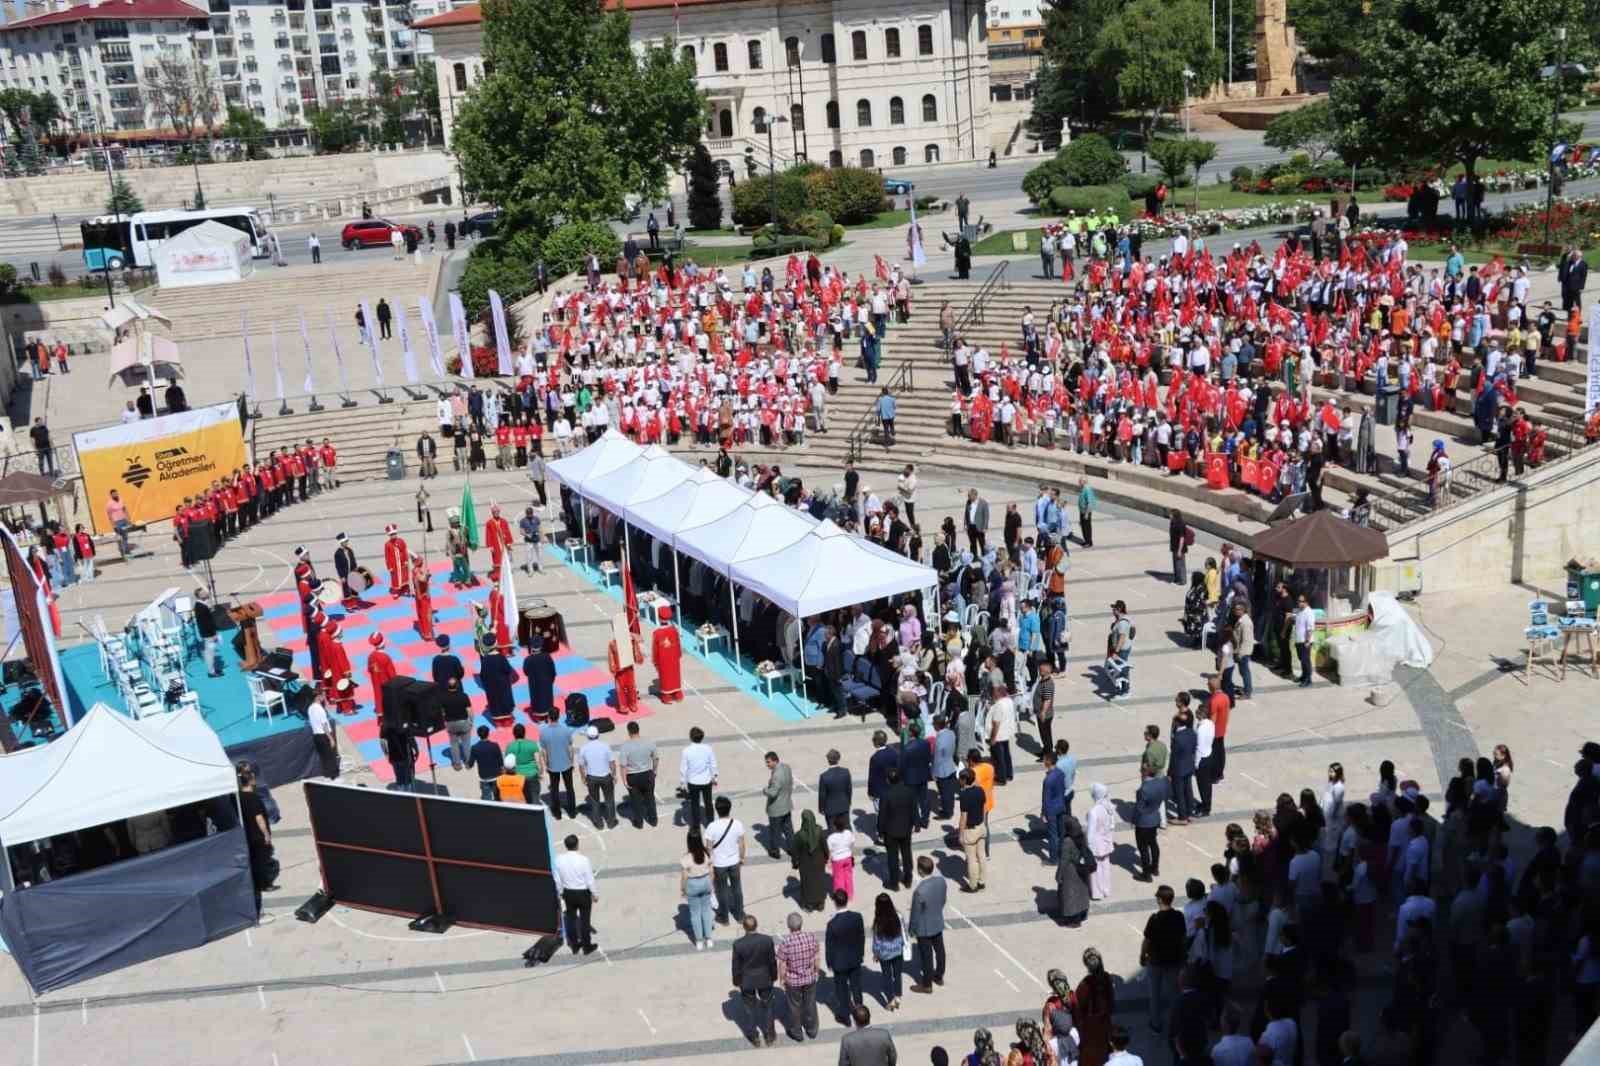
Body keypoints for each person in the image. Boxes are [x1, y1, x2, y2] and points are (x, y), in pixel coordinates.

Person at [732, 914, 779, 1047]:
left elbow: (736, 966)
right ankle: (770, 1035)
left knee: (750, 1010)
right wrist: (774, 976)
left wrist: (737, 981)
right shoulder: (766, 940)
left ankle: (754, 1037)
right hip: (765, 978)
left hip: (747, 981)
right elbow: (772, 961)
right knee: (768, 1006)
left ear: (744, 928)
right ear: (756, 925)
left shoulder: (738, 944)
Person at [237, 765, 277, 913]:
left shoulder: (238, 798)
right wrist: (266, 834)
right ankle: (264, 884)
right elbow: (259, 818)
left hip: (247, 834)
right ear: (251, 780)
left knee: (254, 860)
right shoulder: (253, 798)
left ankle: (257, 882)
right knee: (262, 860)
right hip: (257, 835)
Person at [777, 912, 821, 1042]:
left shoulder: (786, 943)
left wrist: (782, 979)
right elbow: (816, 957)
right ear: (801, 924)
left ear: (788, 926)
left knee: (794, 1006)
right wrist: (816, 972)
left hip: (793, 981)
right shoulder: (811, 937)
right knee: (810, 1003)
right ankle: (812, 1030)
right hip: (810, 978)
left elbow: (782, 964)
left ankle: (797, 1033)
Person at [552, 834, 598, 954]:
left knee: (571, 920)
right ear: (577, 845)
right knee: (585, 921)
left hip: (568, 893)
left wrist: (561, 891)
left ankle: (574, 945)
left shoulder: (558, 860)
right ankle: (587, 946)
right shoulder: (584, 860)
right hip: (583, 894)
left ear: (566, 846)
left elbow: (557, 879)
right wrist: (594, 893)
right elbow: (590, 879)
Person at [705, 795, 747, 924]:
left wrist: (710, 861)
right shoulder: (737, 824)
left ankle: (724, 917)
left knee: (721, 891)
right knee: (737, 888)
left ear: (717, 810)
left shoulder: (712, 826)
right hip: (734, 862)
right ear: (729, 808)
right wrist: (741, 858)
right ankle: (739, 915)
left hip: (719, 864)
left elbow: (708, 847)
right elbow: (741, 843)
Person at [1073, 948, 1115, 1066]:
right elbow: (1111, 1002)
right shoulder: (1106, 978)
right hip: (1105, 1024)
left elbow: (1077, 1007)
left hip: (1089, 1028)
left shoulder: (1085, 984)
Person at [617, 720, 659, 828]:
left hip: (633, 777)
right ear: (638, 730)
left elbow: (623, 766)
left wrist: (624, 781)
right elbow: (656, 758)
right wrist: (654, 771)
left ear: (629, 732)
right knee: (650, 798)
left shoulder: (625, 746)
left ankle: (639, 823)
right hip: (647, 774)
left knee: (636, 802)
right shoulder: (649, 742)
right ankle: (653, 820)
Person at [538, 709, 578, 818]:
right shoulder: (566, 730)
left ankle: (557, 813)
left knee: (554, 789)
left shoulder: (543, 732)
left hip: (552, 765)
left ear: (549, 717)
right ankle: (572, 812)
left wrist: (546, 764)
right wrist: (572, 762)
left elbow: (544, 751)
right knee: (569, 788)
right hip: (566, 763)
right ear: (559, 716)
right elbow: (571, 748)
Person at [871, 893, 907, 1011]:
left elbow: (877, 941)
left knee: (887, 976)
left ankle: (890, 999)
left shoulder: (878, 922)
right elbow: (904, 932)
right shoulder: (898, 916)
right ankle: (898, 996)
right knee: (897, 974)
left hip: (885, 954)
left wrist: (876, 953)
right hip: (898, 951)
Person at [791, 810, 832, 912]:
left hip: (805, 864)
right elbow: (825, 847)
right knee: (820, 882)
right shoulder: (820, 831)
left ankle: (809, 904)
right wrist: (826, 858)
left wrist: (795, 863)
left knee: (807, 883)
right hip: (819, 862)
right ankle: (820, 904)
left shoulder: (799, 836)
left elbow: (795, 852)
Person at [578, 725, 618, 829]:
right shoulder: (605, 746)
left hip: (592, 778)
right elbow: (612, 762)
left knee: (595, 802)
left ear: (587, 736)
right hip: (606, 777)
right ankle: (611, 822)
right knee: (609, 800)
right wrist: (614, 775)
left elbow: (581, 766)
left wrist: (583, 777)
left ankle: (598, 823)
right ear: (598, 735)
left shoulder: (583, 748)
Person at [681, 829, 716, 949]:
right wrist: (711, 885)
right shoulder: (706, 854)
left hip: (692, 885)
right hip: (705, 882)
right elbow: (711, 871)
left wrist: (683, 889)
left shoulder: (686, 858)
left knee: (695, 914)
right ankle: (709, 938)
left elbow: (685, 876)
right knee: (706, 911)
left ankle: (699, 940)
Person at [1134, 765, 1168, 879]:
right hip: (1154, 818)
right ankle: (1155, 868)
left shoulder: (1143, 789)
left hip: (1143, 822)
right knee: (1153, 843)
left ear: (1145, 773)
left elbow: (1140, 808)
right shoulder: (1161, 783)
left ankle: (1146, 874)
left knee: (1143, 848)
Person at [680, 725, 718, 828]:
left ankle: (696, 826)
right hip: (706, 781)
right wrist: (714, 777)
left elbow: (684, 768)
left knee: (695, 804)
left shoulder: (686, 751)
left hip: (693, 782)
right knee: (708, 802)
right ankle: (710, 823)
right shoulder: (708, 748)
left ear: (690, 737)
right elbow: (713, 764)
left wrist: (682, 783)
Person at [1057, 815, 1092, 927]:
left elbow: (1064, 860)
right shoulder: (1082, 835)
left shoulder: (1067, 841)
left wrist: (1059, 874)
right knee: (1081, 892)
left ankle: (1073, 920)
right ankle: (1082, 914)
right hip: (1081, 868)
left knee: (1070, 895)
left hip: (1070, 871)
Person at [957, 767, 987, 892]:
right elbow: (984, 808)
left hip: (970, 830)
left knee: (971, 859)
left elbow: (964, 817)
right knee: (981, 855)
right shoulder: (980, 790)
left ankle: (972, 885)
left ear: (964, 780)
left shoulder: (964, 796)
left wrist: (960, 834)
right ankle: (982, 881)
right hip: (981, 826)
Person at [1085, 783, 1114, 900]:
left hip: (1097, 843)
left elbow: (1090, 833)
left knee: (1094, 869)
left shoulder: (1093, 811)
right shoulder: (1108, 807)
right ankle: (1106, 889)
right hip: (1106, 841)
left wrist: (1088, 847)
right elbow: (1112, 826)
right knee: (1105, 866)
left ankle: (1097, 893)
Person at [764, 751, 795, 858]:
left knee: (775, 832)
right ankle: (792, 848)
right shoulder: (786, 767)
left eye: (768, 762)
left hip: (776, 809)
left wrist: (765, 790)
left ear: (775, 760)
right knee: (788, 830)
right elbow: (791, 782)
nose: (767, 764)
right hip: (786, 804)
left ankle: (775, 852)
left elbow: (773, 792)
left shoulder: (776, 775)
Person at [652, 606, 684, 702]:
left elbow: (655, 649)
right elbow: (678, 645)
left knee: (665, 676)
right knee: (675, 675)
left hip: (663, 660)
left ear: (659, 617)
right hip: (674, 658)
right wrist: (678, 655)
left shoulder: (657, 633)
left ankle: (667, 696)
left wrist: (655, 661)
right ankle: (678, 694)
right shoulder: (674, 631)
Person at [306, 689, 338, 779]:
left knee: (323, 757)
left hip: (316, 736)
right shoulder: (320, 709)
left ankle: (327, 774)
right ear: (318, 697)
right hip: (323, 735)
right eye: (323, 695)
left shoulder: (310, 708)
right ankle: (333, 776)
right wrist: (331, 738)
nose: (324, 697)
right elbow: (324, 725)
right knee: (330, 757)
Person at [465, 725, 503, 801]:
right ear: (488, 734)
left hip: (484, 776)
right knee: (498, 796)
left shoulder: (475, 748)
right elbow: (501, 761)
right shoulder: (495, 745)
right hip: (496, 774)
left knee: (486, 798)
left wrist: (467, 765)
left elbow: (470, 764)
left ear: (478, 735)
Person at [524, 637, 557, 720]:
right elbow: (552, 671)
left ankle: (538, 717)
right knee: (547, 698)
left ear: (531, 647)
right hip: (546, 684)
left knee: (536, 698)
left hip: (534, 684)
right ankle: (548, 715)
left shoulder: (528, 659)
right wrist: (551, 680)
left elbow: (526, 671)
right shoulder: (547, 657)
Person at [827, 812, 857, 901]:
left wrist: (829, 861)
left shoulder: (831, 837)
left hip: (837, 860)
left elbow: (829, 850)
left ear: (835, 826)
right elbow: (852, 843)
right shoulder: (848, 833)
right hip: (847, 857)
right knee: (848, 877)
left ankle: (840, 897)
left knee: (838, 879)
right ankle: (850, 895)